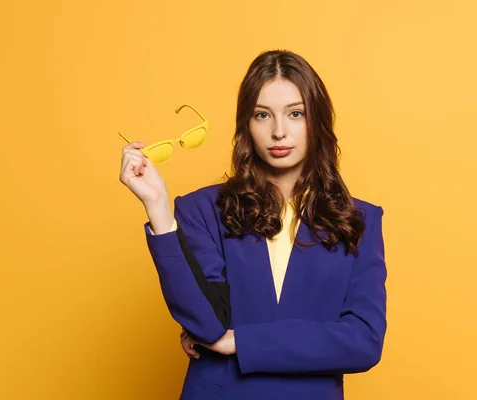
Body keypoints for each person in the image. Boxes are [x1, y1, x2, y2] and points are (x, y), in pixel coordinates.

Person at [119, 49, 387, 400]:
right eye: (263, 115)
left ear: (317, 121)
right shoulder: (202, 209)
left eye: (295, 114)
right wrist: (158, 208)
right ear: (246, 123)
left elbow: (364, 341)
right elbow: (206, 323)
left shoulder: (359, 220)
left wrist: (239, 342)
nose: (279, 132)